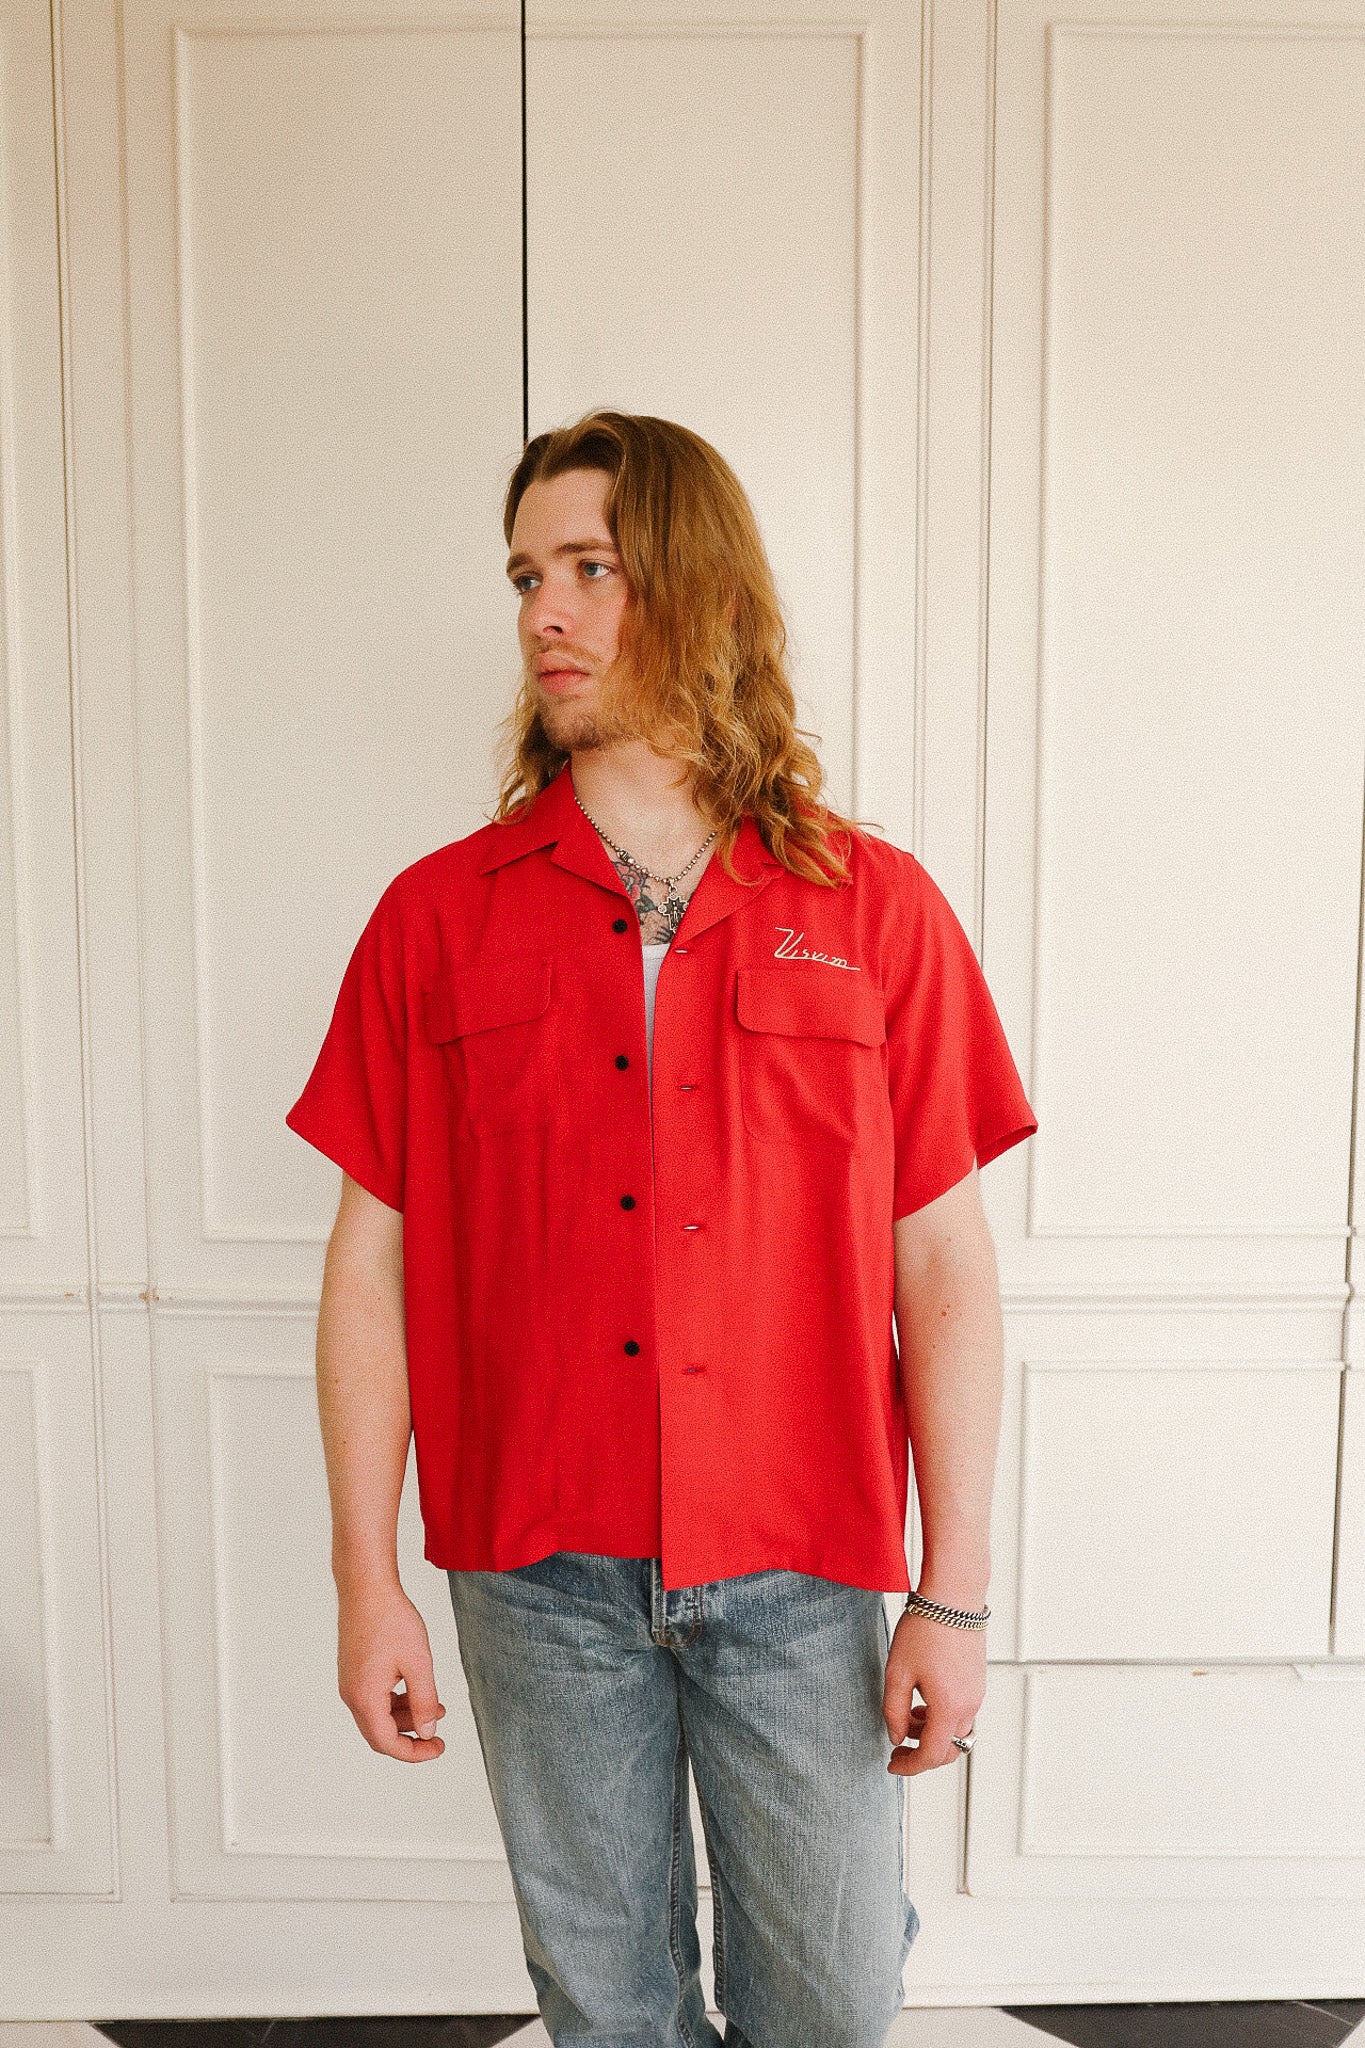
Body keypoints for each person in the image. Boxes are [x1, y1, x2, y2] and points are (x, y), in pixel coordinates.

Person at [285, 410, 1038, 2048]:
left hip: (800, 1557)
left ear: (690, 589)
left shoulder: (873, 910)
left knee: (828, 2004)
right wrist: (366, 1580)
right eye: (525, 577)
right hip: (535, 1568)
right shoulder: (437, 919)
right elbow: (371, 1270)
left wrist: (956, 1590)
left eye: (587, 571)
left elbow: (944, 1265)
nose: (541, 614)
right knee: (606, 2007)